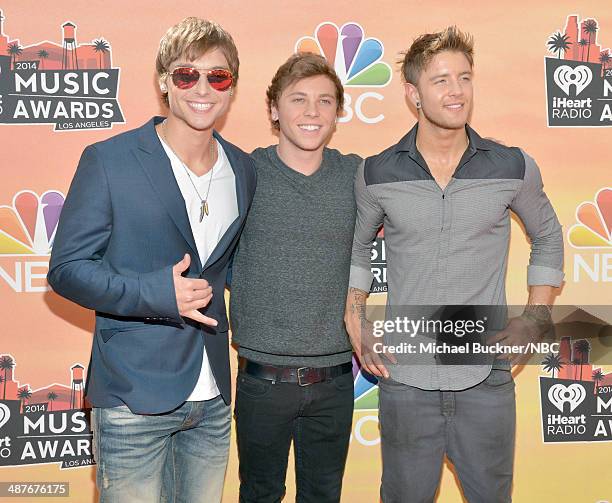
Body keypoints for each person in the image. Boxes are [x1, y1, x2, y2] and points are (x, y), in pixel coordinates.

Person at [344, 26, 564, 503]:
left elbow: (548, 237)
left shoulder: (512, 166)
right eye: (441, 80)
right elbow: (358, 249)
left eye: (464, 78)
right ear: (412, 93)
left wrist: (537, 317)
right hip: (406, 379)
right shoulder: (377, 172)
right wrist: (355, 318)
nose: (456, 90)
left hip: (485, 378)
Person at [47, 17, 256, 503]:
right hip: (132, 398)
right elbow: (66, 269)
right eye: (186, 75)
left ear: (232, 86)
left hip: (212, 398)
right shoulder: (111, 159)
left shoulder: (243, 168)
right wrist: (157, 293)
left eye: (217, 76)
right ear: (164, 80)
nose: (202, 88)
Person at [229, 52, 360, 503]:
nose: (311, 112)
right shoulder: (243, 173)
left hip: (337, 379)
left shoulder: (358, 177)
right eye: (298, 99)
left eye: (325, 101)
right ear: (273, 109)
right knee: (260, 494)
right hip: (262, 381)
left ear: (338, 113)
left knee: (324, 495)